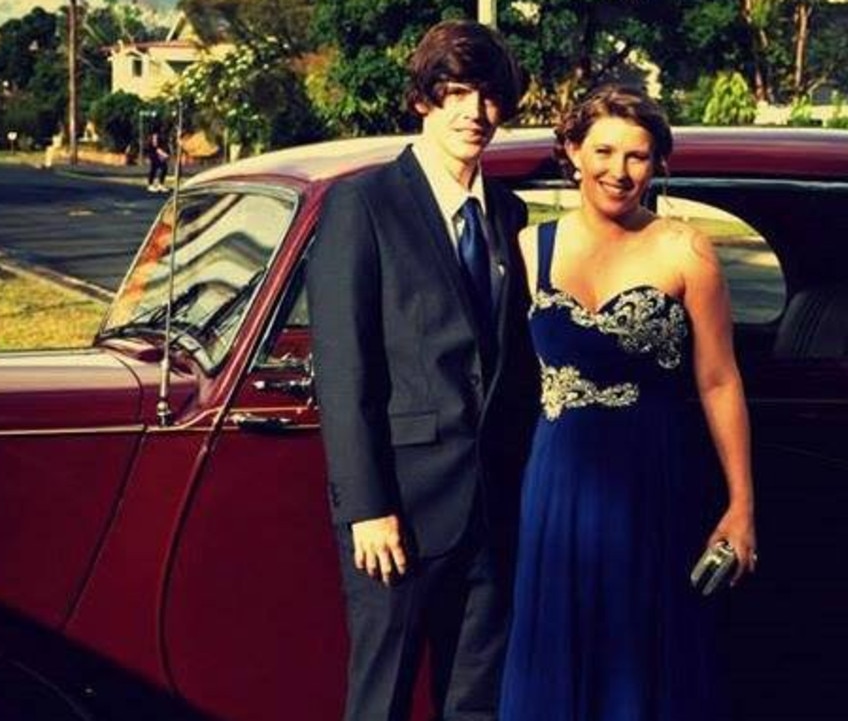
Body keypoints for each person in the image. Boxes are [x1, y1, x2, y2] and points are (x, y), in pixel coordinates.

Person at [499, 84, 758, 721]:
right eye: (605, 151)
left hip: (653, 483)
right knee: (558, 646)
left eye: (638, 156)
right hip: (557, 482)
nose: (619, 171)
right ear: (572, 152)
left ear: (657, 164)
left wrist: (741, 506)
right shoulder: (531, 250)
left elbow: (720, 380)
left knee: (647, 657)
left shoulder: (685, 250)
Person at [306, 20, 538, 721]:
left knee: (477, 700)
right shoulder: (362, 204)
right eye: (457, 92)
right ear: (424, 100)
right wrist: (368, 506)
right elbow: (344, 370)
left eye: (489, 95)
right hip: (399, 510)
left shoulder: (507, 212)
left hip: (493, 508)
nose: (475, 112)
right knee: (381, 697)